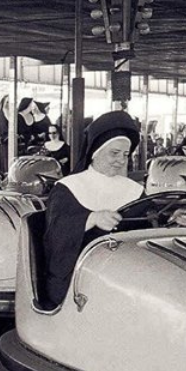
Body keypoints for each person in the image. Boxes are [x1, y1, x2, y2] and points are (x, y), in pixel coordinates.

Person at [43, 111, 144, 308]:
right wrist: (90, 219)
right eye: (114, 153)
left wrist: (174, 219)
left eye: (125, 154)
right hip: (77, 275)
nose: (121, 160)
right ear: (95, 152)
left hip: (127, 270)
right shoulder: (68, 188)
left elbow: (148, 226)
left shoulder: (134, 190)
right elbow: (54, 237)